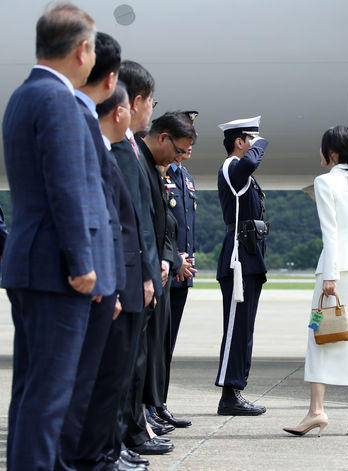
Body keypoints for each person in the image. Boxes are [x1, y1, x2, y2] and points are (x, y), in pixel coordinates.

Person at [1, 5, 114, 469]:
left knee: (31, 392)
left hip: (32, 262)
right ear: (83, 49)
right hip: (57, 269)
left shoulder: (23, 96)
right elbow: (68, 189)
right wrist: (82, 262)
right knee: (50, 397)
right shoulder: (59, 102)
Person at [57, 30, 125, 471]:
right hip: (86, 278)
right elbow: (73, 198)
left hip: (103, 277)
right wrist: (91, 269)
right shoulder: (69, 114)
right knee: (70, 386)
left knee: (89, 382)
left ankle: (87, 458)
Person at [283, 125, 348, 437]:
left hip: (334, 272)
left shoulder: (325, 182)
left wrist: (331, 277)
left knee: (320, 337)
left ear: (332, 153)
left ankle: (317, 411)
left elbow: (330, 232)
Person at [113, 60, 174, 456]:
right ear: (137, 102)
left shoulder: (132, 147)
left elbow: (148, 222)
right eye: (151, 101)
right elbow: (131, 220)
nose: (152, 109)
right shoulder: (122, 148)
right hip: (131, 275)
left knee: (133, 363)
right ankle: (122, 438)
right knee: (123, 365)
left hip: (144, 272)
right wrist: (146, 275)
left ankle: (131, 434)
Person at [137, 112, 194, 432]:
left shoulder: (171, 173)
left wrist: (170, 258)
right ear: (163, 137)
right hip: (148, 273)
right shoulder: (135, 163)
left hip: (166, 268)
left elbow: (169, 226)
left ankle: (154, 407)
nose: (181, 157)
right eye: (180, 149)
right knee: (144, 352)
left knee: (159, 348)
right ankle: (142, 417)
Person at [215, 116, 269, 416]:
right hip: (238, 258)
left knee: (244, 328)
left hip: (249, 257)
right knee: (237, 328)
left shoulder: (240, 171)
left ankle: (236, 390)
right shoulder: (232, 167)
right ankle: (229, 394)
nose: (255, 146)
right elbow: (249, 164)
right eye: (251, 140)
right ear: (240, 142)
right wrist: (262, 143)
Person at [157, 110, 200, 429]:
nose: (189, 146)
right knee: (155, 344)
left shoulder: (184, 177)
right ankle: (150, 404)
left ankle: (160, 402)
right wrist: (176, 260)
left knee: (167, 344)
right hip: (167, 269)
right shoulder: (163, 173)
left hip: (182, 272)